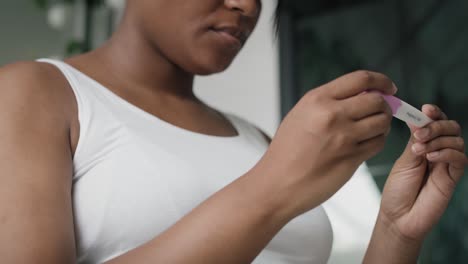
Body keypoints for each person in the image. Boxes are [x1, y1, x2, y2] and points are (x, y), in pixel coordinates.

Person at [0, 0, 466, 263]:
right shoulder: (35, 94)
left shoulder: (260, 142)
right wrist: (273, 186)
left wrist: (396, 233)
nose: (246, 5)